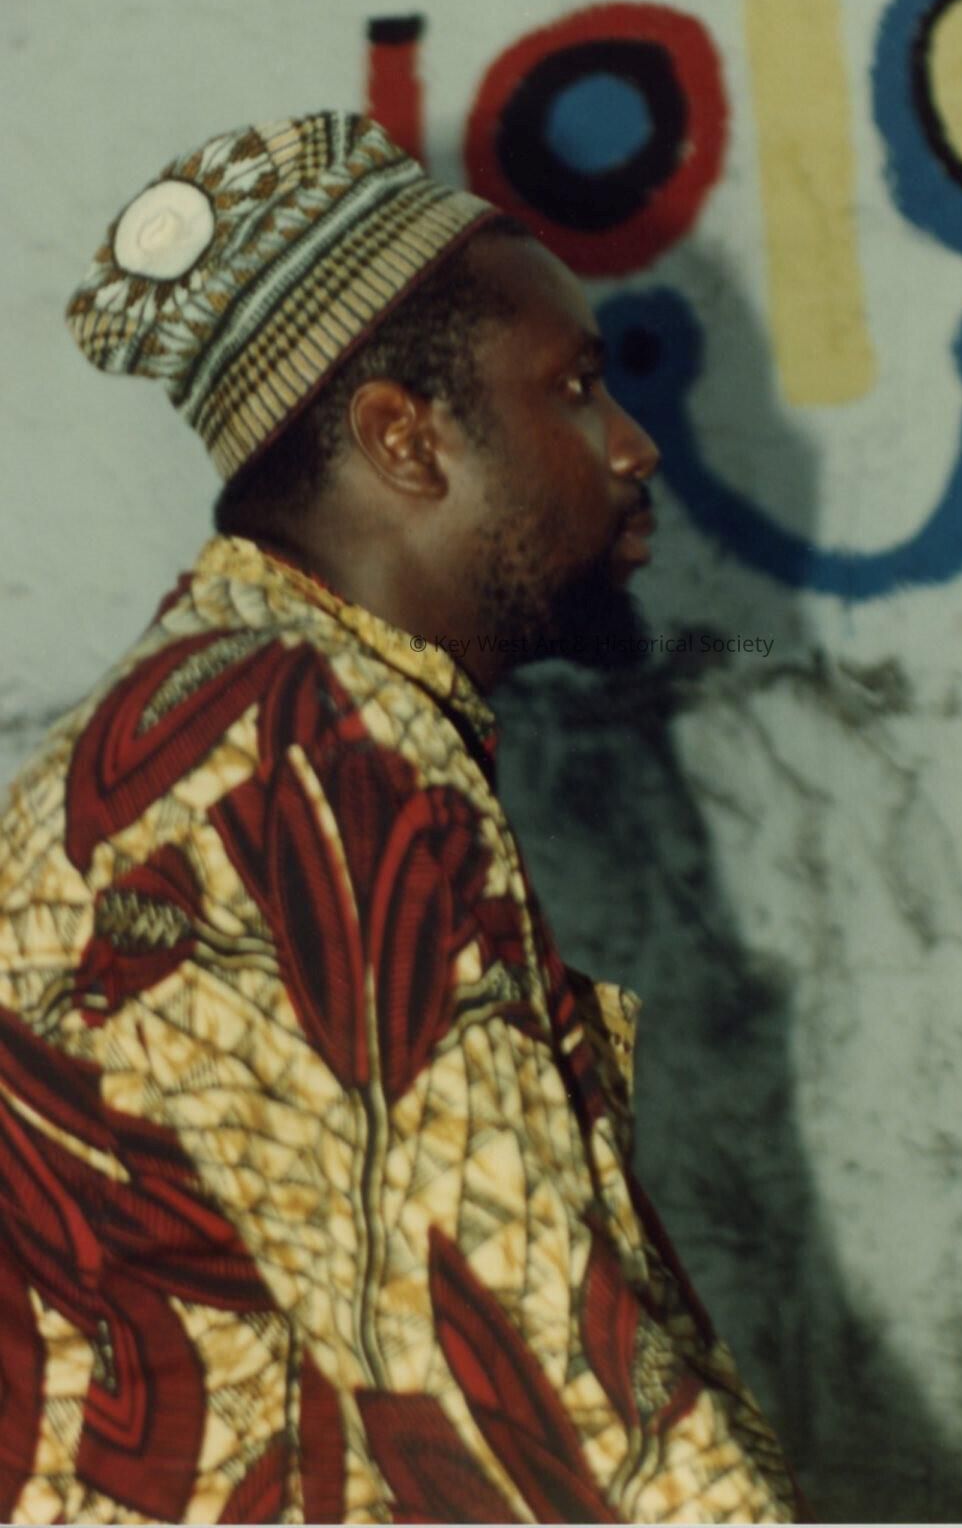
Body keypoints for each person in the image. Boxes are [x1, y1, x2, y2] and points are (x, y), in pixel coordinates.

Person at [0, 113, 804, 1524]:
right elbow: (537, 1399)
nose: (634, 448)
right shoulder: (320, 777)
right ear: (405, 442)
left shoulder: (211, 720)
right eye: (575, 390)